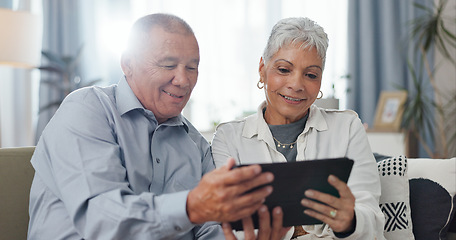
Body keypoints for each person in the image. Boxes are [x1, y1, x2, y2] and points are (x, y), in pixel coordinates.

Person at [28, 13, 282, 239]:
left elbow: (210, 228)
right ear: (128, 64)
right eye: (168, 65)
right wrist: (191, 206)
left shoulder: (196, 144)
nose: (183, 80)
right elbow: (102, 220)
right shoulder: (87, 109)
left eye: (192, 68)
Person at [212, 17, 386, 239]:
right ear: (262, 70)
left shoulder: (347, 127)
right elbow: (228, 221)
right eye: (284, 69)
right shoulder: (228, 138)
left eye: (311, 75)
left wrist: (349, 222)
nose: (296, 85)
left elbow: (371, 218)